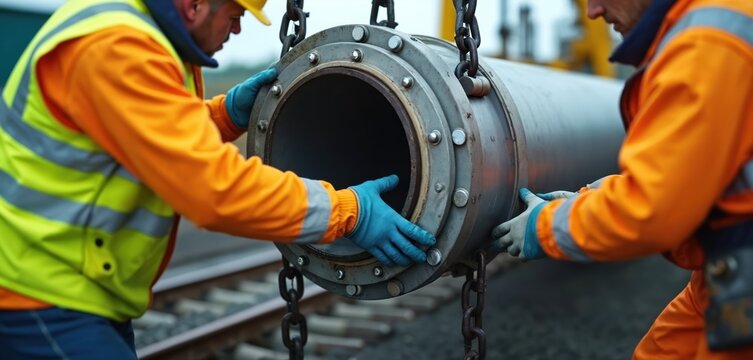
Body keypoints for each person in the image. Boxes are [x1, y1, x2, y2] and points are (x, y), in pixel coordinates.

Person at [0, 0, 435, 358]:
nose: (239, 30)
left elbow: (147, 141)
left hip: (65, 286)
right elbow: (213, 190)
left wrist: (224, 116)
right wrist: (347, 211)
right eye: (236, 15)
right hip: (38, 291)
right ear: (194, 5)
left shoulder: (133, 32)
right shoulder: (119, 46)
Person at [491, 0, 753, 358]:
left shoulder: (705, 46)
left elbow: (650, 210)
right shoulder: (713, 28)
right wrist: (588, 201)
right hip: (728, 264)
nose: (593, 12)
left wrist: (545, 228)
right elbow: (688, 170)